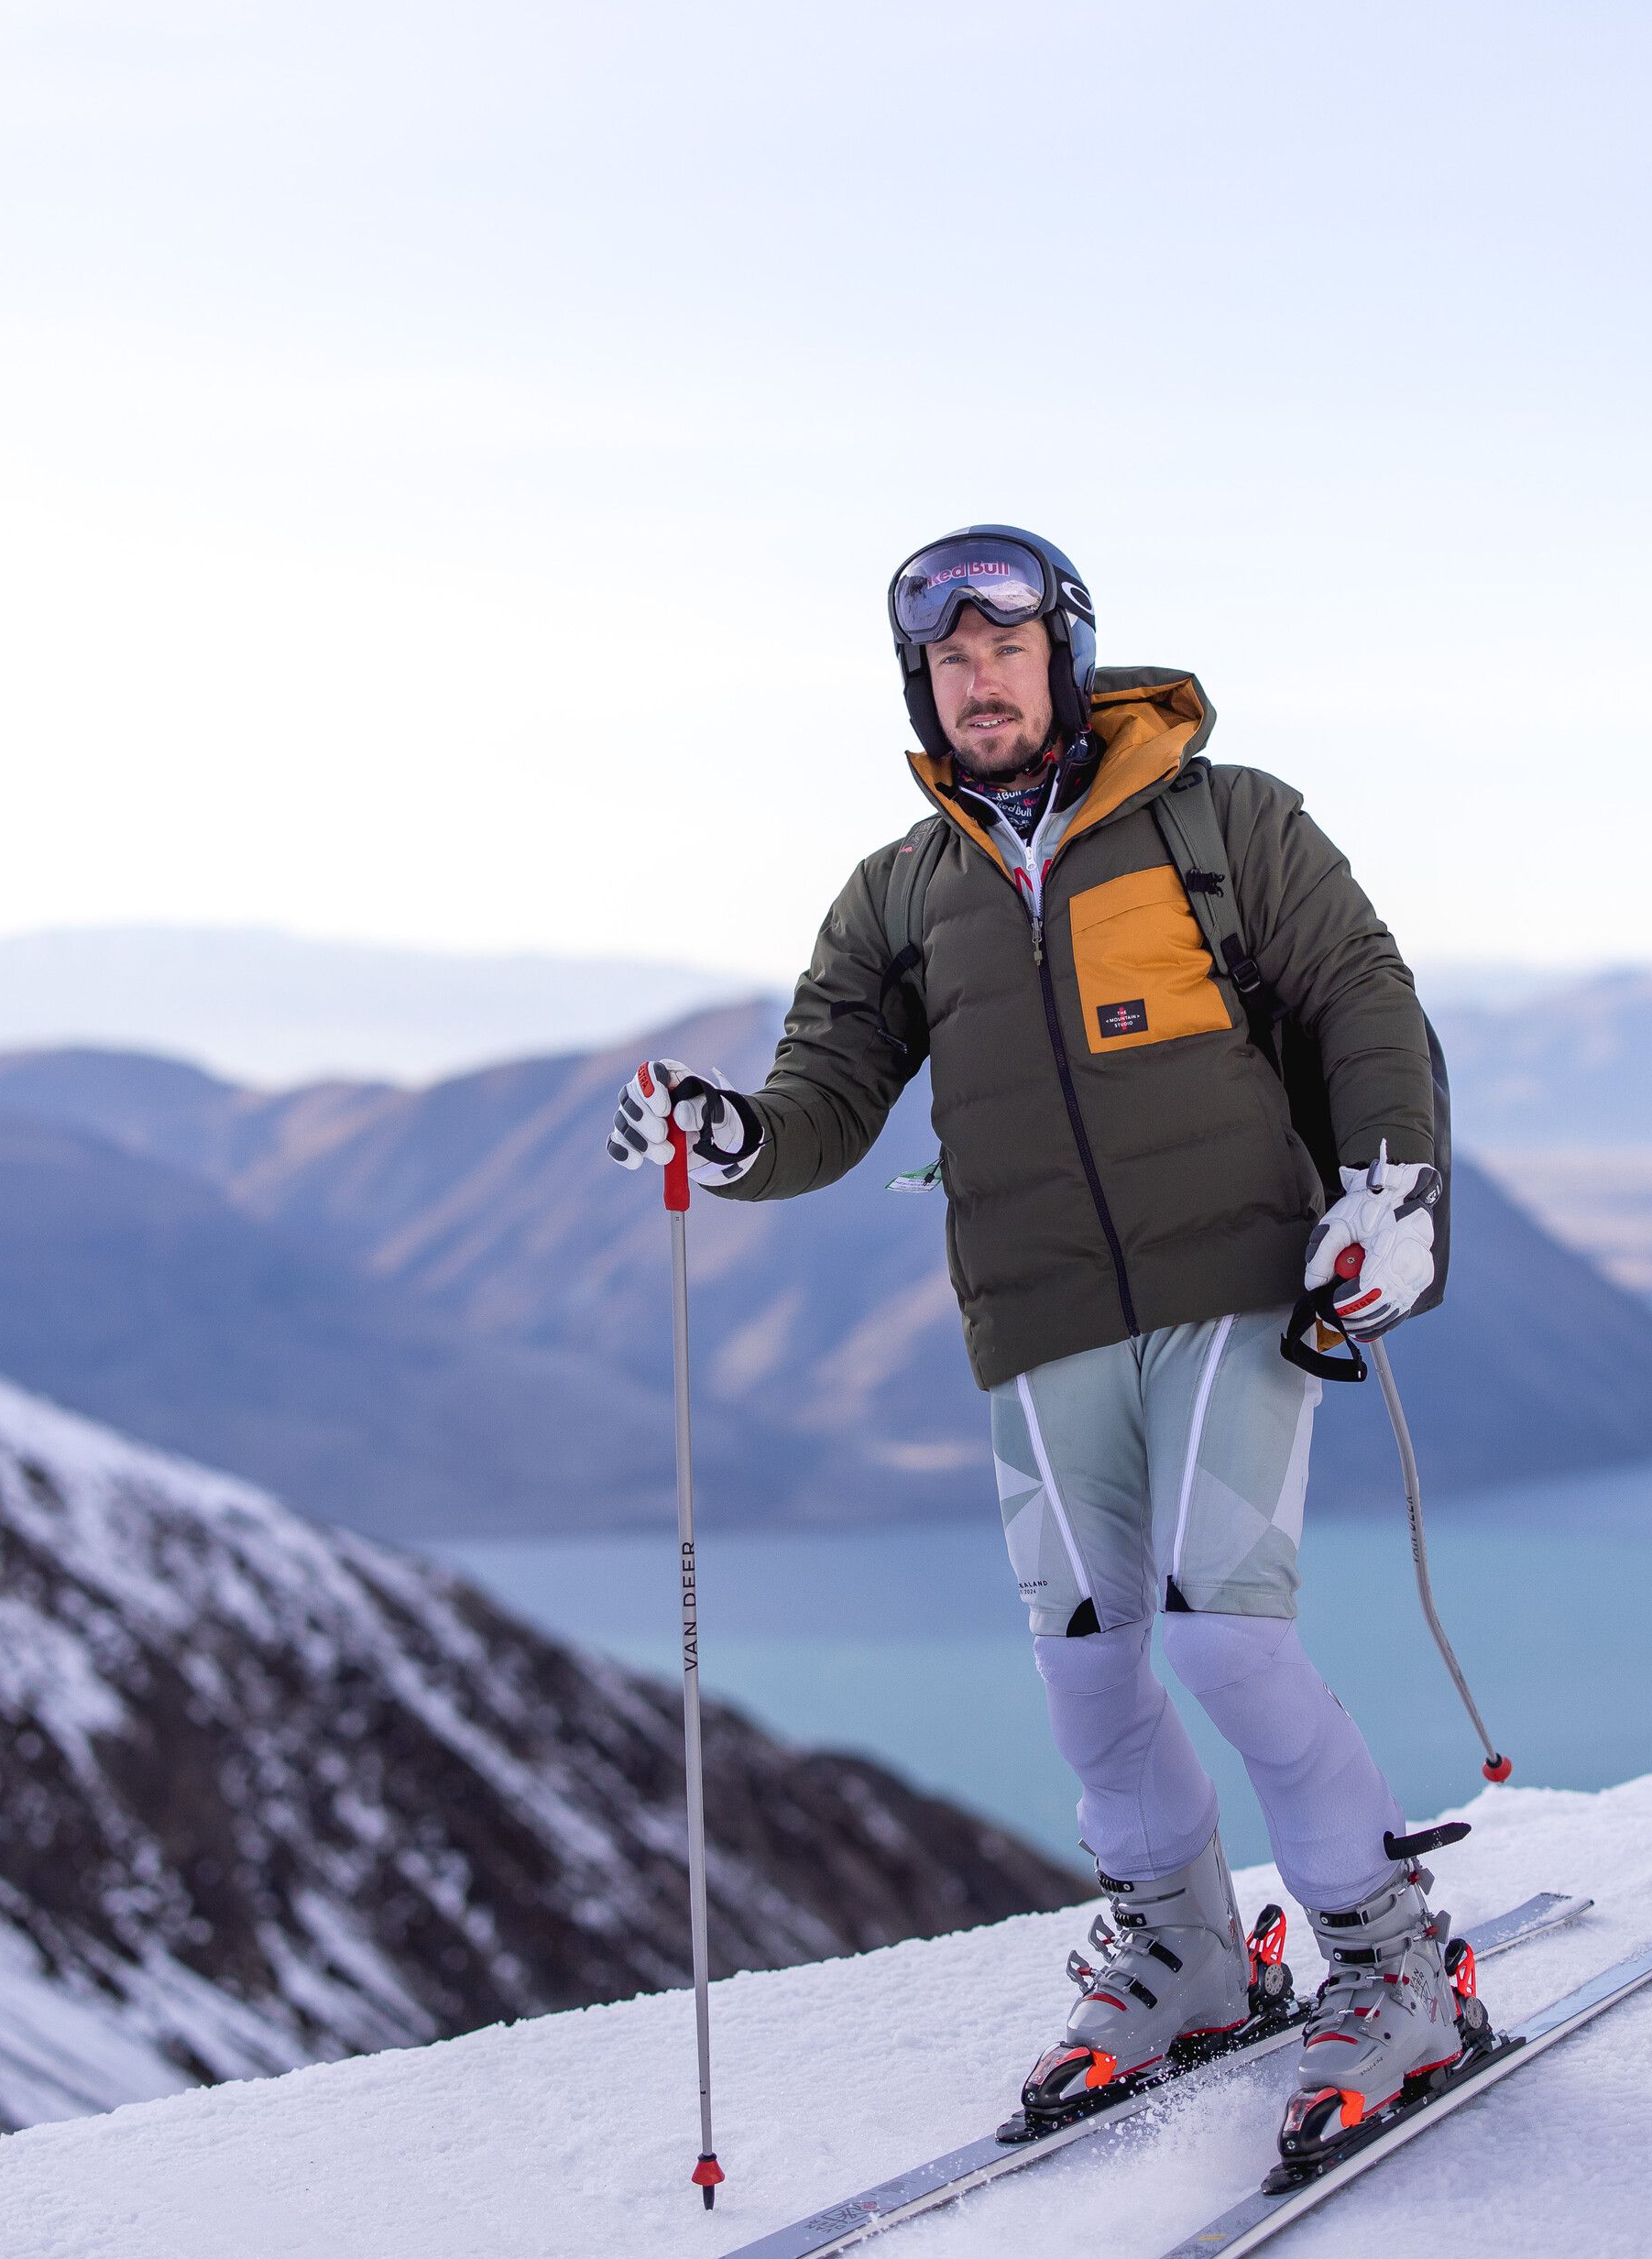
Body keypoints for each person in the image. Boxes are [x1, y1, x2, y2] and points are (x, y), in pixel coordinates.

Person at [607, 524, 1473, 2164]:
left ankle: (1388, 1957)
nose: (976, 677)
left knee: (1223, 1637)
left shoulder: (1229, 820)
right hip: (1035, 1311)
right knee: (1086, 1671)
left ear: (1063, 656)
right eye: (945, 659)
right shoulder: (901, 892)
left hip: (1237, 1279)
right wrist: (731, 1137)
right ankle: (1188, 1959)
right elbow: (824, 1099)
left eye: (1004, 648)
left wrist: (1392, 1192)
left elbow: (1362, 994)